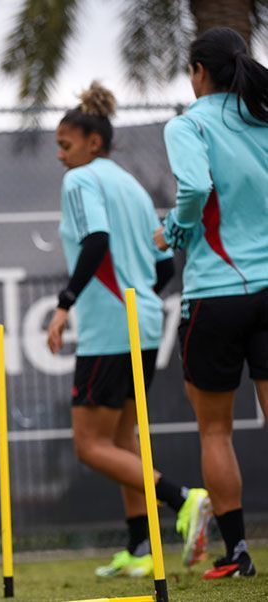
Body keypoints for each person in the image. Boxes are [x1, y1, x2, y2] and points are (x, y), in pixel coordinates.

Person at [47, 82, 211, 578]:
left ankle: (182, 499)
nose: (60, 155)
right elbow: (164, 269)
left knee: (89, 445)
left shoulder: (81, 182)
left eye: (65, 145)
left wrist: (64, 305)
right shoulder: (130, 186)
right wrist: (133, 294)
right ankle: (141, 548)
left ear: (92, 143)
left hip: (108, 329)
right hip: (142, 324)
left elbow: (95, 240)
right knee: (122, 442)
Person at [155, 26, 267, 580]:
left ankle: (239, 553)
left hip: (217, 294)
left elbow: (195, 191)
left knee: (215, 431)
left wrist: (175, 232)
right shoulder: (264, 121)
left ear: (198, 71)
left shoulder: (188, 124)